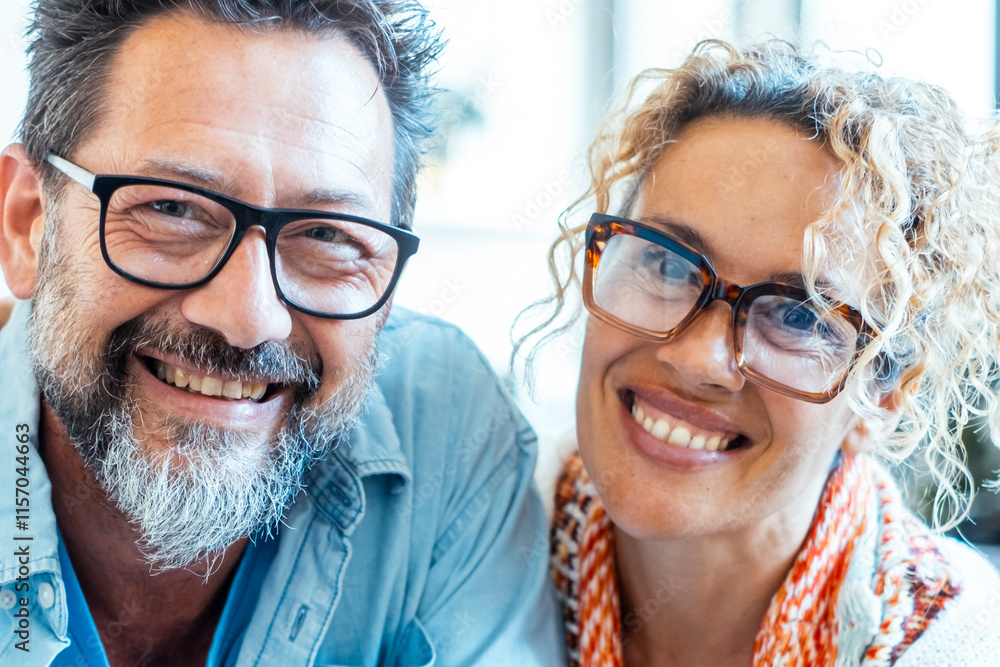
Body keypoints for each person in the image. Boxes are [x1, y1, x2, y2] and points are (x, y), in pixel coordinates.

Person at [0, 0, 563, 664]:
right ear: (27, 224)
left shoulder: (447, 423)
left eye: (326, 236)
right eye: (172, 208)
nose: (249, 318)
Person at [525, 41, 1000, 665]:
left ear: (884, 396)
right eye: (667, 264)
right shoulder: (476, 535)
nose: (699, 359)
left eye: (800, 315)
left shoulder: (962, 648)